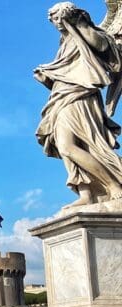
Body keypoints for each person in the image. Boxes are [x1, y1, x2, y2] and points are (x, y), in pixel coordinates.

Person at [35, 2, 122, 206]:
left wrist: (79, 23)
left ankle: (113, 185)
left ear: (69, 14)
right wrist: (48, 75)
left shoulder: (87, 31)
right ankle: (86, 193)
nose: (56, 23)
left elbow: (103, 47)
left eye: (58, 18)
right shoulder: (65, 41)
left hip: (80, 95)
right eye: (53, 20)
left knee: (70, 145)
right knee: (62, 143)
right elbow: (69, 68)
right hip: (62, 95)